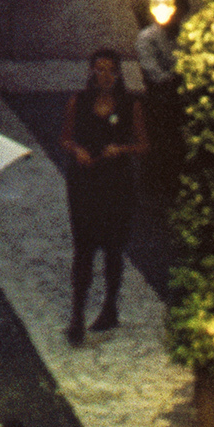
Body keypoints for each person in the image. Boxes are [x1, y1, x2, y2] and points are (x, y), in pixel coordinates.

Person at [59, 49, 148, 341]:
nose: (105, 75)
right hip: (85, 181)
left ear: (119, 73)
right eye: (99, 70)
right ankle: (77, 313)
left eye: (110, 70)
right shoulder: (79, 102)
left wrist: (120, 149)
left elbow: (143, 144)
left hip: (116, 183)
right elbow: (66, 138)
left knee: (113, 248)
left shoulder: (129, 104)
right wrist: (78, 150)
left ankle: (110, 305)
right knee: (83, 247)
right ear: (92, 72)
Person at [136, 0, 186, 204]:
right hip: (158, 100)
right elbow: (153, 71)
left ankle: (174, 188)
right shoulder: (147, 37)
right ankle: (153, 192)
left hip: (179, 99)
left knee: (176, 145)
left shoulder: (183, 34)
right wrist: (175, 76)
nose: (176, 18)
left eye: (180, 13)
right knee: (157, 144)